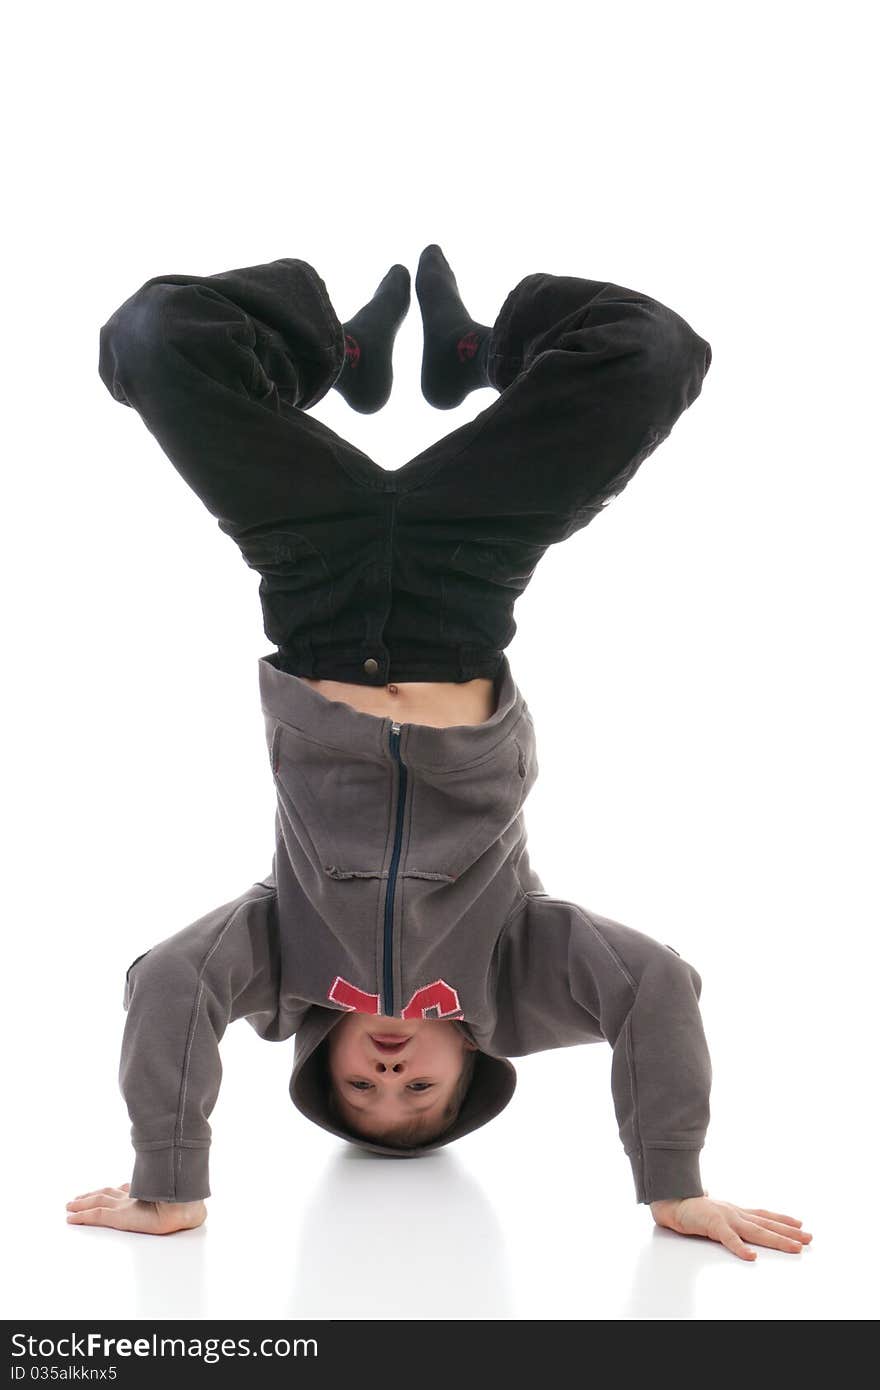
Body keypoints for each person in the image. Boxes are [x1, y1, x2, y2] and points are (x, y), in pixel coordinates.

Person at [66, 248, 811, 1261]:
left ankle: (333, 349)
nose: (386, 1067)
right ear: (472, 1056)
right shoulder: (521, 973)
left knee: (152, 336)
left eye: (361, 1087)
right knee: (650, 353)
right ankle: (470, 348)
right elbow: (656, 988)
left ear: (322, 1061)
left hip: (314, 583)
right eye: (416, 1086)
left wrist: (170, 1179)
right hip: (460, 590)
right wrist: (672, 1181)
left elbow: (162, 984)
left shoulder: (276, 960)